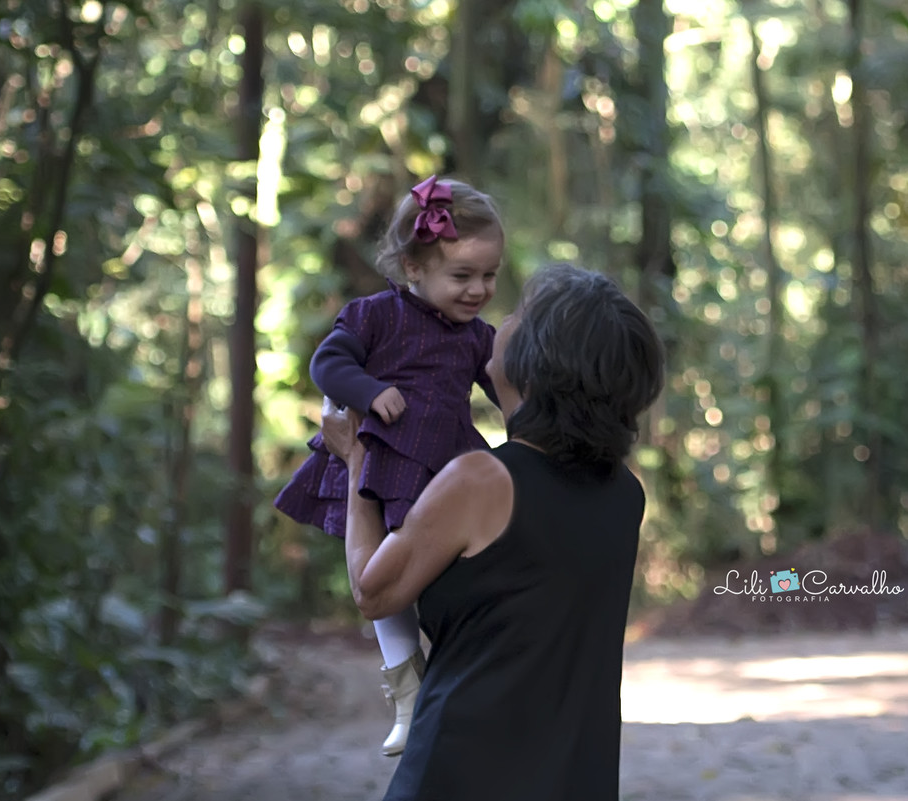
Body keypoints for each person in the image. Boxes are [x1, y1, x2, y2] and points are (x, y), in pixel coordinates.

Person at [319, 264, 665, 800]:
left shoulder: (481, 479)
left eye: (518, 314)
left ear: (537, 360)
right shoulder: (625, 496)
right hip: (576, 779)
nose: (498, 318)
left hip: (459, 772)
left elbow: (373, 589)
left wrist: (358, 456)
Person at [273, 175, 505, 757]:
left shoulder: (477, 338)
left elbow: (509, 393)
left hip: (448, 465)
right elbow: (327, 363)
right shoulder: (376, 315)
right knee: (384, 580)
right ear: (412, 268)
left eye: (489, 276)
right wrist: (370, 390)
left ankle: (462, 679)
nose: (479, 289)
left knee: (457, 576)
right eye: (462, 276)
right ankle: (406, 691)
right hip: (383, 465)